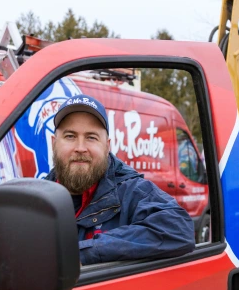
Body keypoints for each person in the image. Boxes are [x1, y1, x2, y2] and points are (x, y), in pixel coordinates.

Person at [46, 94, 195, 265]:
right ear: (54, 143)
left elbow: (179, 229)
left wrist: (86, 252)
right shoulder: (36, 199)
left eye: (91, 137)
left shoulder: (131, 191)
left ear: (107, 146)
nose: (80, 148)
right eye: (70, 136)